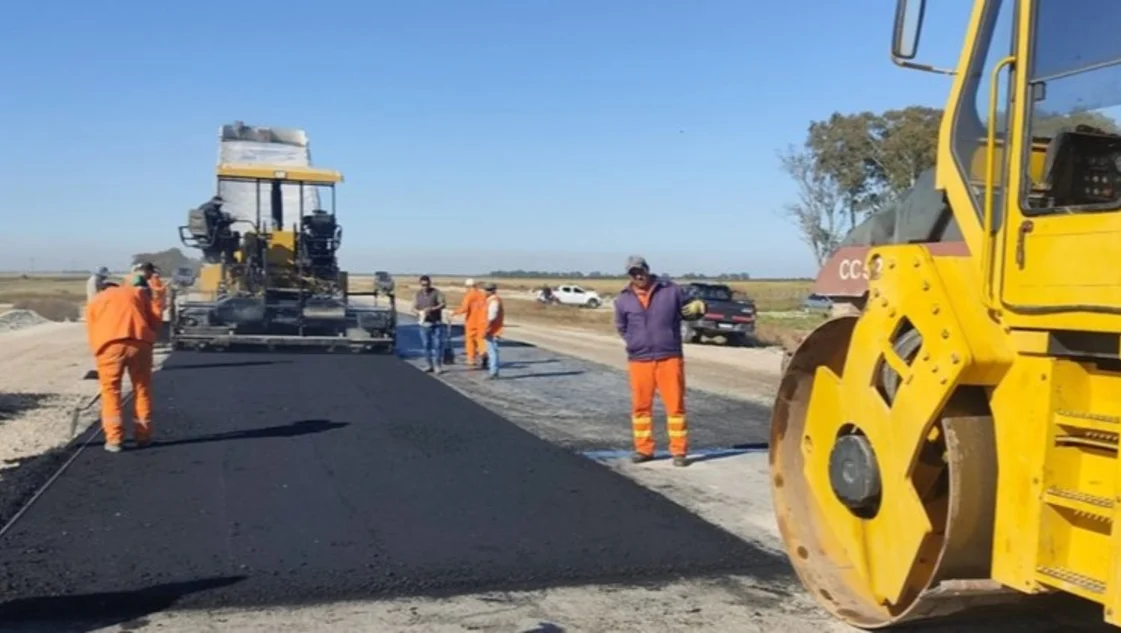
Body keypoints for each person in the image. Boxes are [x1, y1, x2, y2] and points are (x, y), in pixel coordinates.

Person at [613, 255, 706, 467]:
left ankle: (679, 451)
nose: (638, 276)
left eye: (640, 271)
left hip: (669, 357)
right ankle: (644, 449)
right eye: (633, 273)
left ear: (647, 270)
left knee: (675, 406)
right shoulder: (623, 299)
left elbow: (692, 309)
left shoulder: (671, 291)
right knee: (640, 407)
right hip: (640, 359)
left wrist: (700, 307)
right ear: (629, 275)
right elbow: (621, 327)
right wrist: (635, 342)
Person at [85, 280, 162, 452]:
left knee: (111, 391)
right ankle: (143, 436)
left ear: (102, 289)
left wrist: (98, 351)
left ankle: (114, 439)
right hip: (140, 343)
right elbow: (155, 318)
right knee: (142, 389)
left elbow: (91, 328)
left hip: (109, 346)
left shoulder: (97, 300)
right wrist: (150, 337)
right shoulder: (137, 293)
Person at [413, 275, 448, 374]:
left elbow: (443, 304)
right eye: (423, 285)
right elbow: (413, 307)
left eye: (427, 284)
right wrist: (419, 312)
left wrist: (432, 309)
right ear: (420, 284)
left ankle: (437, 365)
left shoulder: (436, 293)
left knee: (437, 345)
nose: (425, 287)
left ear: (430, 283)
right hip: (424, 324)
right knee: (426, 345)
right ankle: (429, 365)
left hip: (436, 323)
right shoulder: (417, 294)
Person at [453, 278, 488, 369]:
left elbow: (464, 308)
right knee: (481, 340)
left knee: (470, 341)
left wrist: (455, 312)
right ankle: (483, 354)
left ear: (468, 286)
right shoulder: (483, 295)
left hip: (472, 322)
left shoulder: (469, 296)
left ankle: (471, 359)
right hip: (483, 322)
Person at [482, 282, 504, 379]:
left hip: (493, 330)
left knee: (492, 351)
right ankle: (493, 371)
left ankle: (493, 372)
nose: (485, 292)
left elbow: (491, 317)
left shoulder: (494, 301)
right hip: (493, 329)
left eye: (486, 290)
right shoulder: (493, 300)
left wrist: (486, 329)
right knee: (492, 350)